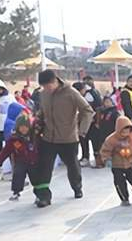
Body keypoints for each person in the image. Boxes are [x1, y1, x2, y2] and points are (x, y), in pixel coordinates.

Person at [33, 70, 94, 208]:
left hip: (68, 138)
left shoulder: (71, 93)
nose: (46, 89)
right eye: (43, 86)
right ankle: (43, 197)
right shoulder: (43, 94)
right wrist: (37, 120)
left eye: (48, 86)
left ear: (55, 81)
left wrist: (82, 130)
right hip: (48, 137)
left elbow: (87, 110)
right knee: (44, 167)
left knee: (72, 166)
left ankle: (77, 187)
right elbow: (43, 111)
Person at [100, 116, 132, 206]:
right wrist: (107, 159)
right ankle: (124, 198)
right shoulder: (112, 139)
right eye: (123, 130)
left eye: (127, 130)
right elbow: (105, 149)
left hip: (130, 164)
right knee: (119, 182)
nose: (125, 133)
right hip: (117, 165)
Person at [0, 112, 39, 201]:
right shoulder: (13, 140)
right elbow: (5, 151)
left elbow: (41, 149)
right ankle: (16, 192)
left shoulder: (34, 137)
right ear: (17, 127)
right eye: (21, 127)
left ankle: (39, 195)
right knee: (18, 175)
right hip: (20, 162)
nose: (24, 129)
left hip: (33, 162)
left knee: (36, 178)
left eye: (26, 127)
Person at [75, 81, 103, 168]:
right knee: (83, 139)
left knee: (95, 141)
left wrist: (97, 122)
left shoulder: (91, 94)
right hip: (82, 121)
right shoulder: (78, 95)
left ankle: (97, 159)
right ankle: (85, 157)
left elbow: (98, 108)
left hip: (93, 121)